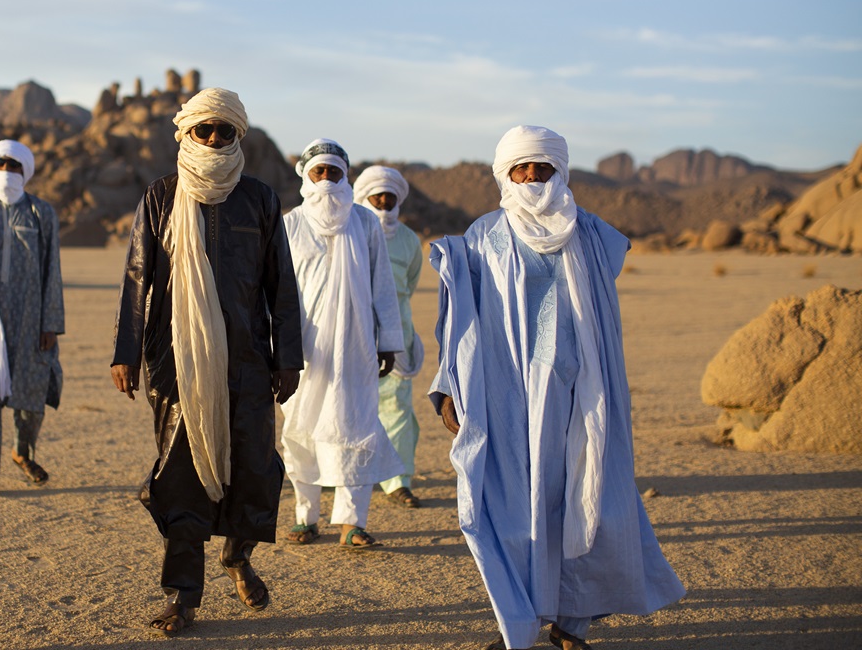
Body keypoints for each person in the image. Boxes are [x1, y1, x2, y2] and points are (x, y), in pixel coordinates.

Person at [429, 125, 685, 650]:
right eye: (521, 168)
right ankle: (518, 623)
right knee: (511, 508)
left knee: (585, 499)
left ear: (559, 171)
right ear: (504, 173)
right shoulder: (483, 237)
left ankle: (572, 623)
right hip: (507, 398)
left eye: (541, 168)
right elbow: (461, 318)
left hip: (582, 391)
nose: (531, 177)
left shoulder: (591, 234)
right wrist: (448, 384)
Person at [111, 87, 303, 636]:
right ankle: (183, 595)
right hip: (176, 362)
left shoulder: (262, 199)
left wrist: (287, 357)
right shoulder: (160, 196)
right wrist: (125, 352)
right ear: (186, 134)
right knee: (181, 476)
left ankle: (238, 555)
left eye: (225, 131)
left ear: (238, 135)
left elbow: (280, 286)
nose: (214, 139)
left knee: (256, 470)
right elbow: (136, 282)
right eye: (204, 130)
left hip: (247, 360)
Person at [281, 139, 405, 550]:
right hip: (304, 348)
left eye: (335, 172)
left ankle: (352, 522)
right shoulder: (290, 224)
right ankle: (306, 517)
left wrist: (388, 341)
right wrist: (276, 347)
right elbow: (275, 292)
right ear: (306, 176)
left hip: (355, 348)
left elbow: (382, 287)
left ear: (346, 175)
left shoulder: (366, 223)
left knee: (355, 426)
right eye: (320, 172)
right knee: (302, 429)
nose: (327, 179)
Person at [0, 139, 65, 496]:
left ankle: (23, 453)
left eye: (14, 165)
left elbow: (52, 269)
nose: (7, 171)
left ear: (26, 171)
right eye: (1, 163)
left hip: (30, 320)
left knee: (30, 395)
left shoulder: (41, 213)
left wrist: (50, 322)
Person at [353, 165, 425, 509]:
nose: (383, 202)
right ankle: (339, 473)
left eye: (389, 196)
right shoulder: (348, 230)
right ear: (362, 196)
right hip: (351, 333)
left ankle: (398, 480)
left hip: (396, 333)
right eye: (376, 196)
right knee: (345, 406)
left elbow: (408, 285)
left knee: (396, 406)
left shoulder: (410, 241)